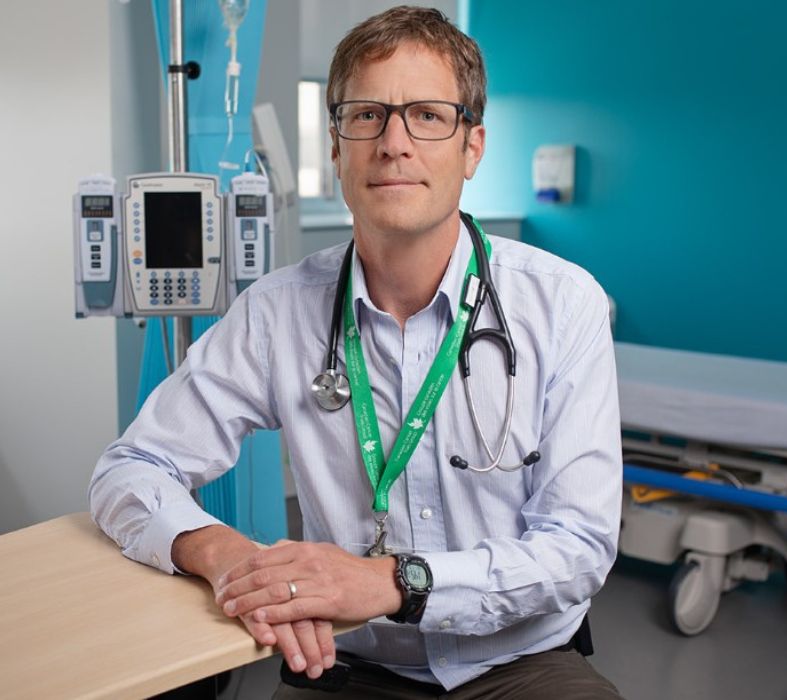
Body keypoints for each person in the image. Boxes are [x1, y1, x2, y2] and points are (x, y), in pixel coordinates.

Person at [90, 6, 623, 698]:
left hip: (517, 661)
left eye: (428, 115)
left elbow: (578, 548)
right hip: (346, 664)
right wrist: (223, 554)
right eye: (367, 115)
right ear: (337, 147)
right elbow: (128, 470)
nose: (394, 142)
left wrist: (393, 581)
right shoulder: (277, 314)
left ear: (472, 146)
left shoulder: (562, 304)